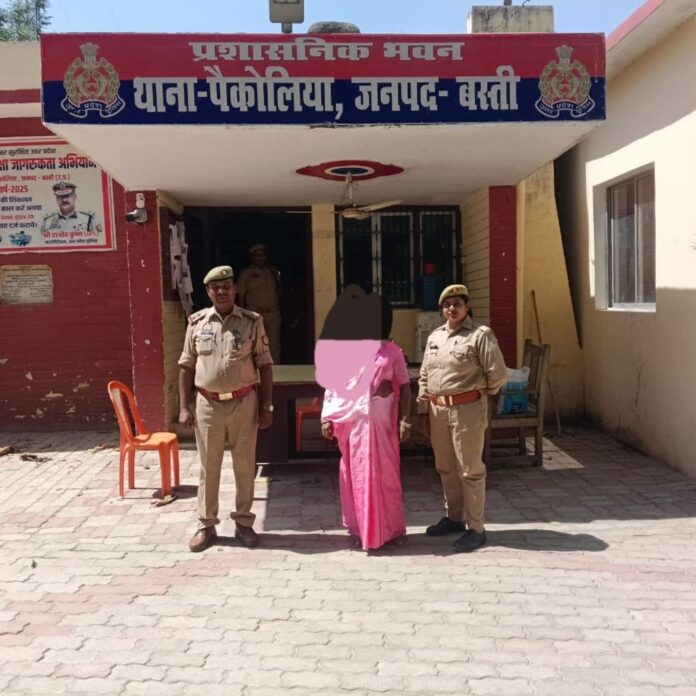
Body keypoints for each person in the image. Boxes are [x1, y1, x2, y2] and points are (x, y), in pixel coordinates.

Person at [178, 265, 274, 553]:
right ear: (208, 292)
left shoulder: (252, 321)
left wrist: (267, 405)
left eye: (226, 287)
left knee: (245, 465)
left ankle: (244, 523)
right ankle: (206, 524)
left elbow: (265, 365)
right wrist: (184, 406)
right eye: (215, 288)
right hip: (207, 405)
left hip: (244, 402)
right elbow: (186, 365)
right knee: (209, 467)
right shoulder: (196, 323)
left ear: (235, 290)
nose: (221, 291)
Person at [317, 288, 412, 550]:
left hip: (382, 422)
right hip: (354, 424)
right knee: (355, 475)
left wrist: (405, 420)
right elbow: (333, 386)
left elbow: (405, 387)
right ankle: (360, 529)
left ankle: (393, 530)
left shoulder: (393, 351)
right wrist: (327, 418)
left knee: (388, 476)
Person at [418, 284, 506, 553]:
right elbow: (424, 375)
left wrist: (479, 395)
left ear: (467, 307)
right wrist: (423, 407)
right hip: (438, 411)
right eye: (447, 305)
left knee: (470, 470)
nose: (452, 309)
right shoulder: (435, 337)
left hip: (467, 410)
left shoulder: (480, 335)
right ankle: (454, 518)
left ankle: (476, 528)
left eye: (457, 304)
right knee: (446, 467)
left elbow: (497, 373)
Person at [236, 243, 282, 363]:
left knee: (274, 344)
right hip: (254, 314)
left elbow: (279, 291)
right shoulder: (246, 273)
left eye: (262, 255)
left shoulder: (273, 271)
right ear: (252, 257)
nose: (260, 258)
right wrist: (242, 316)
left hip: (272, 313)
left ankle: (275, 369)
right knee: (255, 343)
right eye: (256, 256)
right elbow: (241, 296)